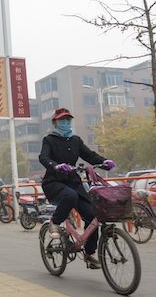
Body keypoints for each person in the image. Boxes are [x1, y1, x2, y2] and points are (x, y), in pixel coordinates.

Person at [39, 107, 115, 270]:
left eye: (68, 120)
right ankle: (54, 222)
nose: (65, 122)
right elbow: (43, 157)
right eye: (62, 120)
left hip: (73, 182)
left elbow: (89, 155)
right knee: (70, 196)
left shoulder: (75, 140)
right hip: (54, 182)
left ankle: (89, 253)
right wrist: (56, 166)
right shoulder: (49, 140)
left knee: (93, 217)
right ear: (55, 122)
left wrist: (105, 161)